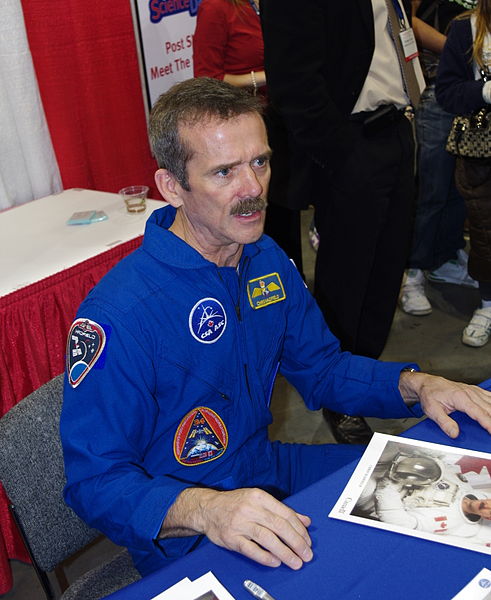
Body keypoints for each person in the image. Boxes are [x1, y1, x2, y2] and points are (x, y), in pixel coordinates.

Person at [61, 78, 491, 579]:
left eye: (259, 162)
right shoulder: (121, 313)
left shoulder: (263, 258)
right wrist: (206, 509)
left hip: (266, 468)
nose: (253, 190)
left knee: (447, 517)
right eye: (224, 172)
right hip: (188, 525)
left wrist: (416, 385)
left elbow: (323, 369)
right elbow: (94, 482)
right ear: (172, 186)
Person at [260, 0, 426, 444]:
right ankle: (338, 395)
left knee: (384, 272)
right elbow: (293, 83)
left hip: (397, 129)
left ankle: (365, 382)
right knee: (346, 281)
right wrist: (341, 157)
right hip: (351, 141)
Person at [192, 0, 304, 274]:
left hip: (282, 122)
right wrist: (266, 78)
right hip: (242, 129)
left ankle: (290, 283)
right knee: (261, 213)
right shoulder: (218, 7)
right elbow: (207, 77)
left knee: (285, 211)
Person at [399, 0, 478, 317]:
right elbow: (407, 19)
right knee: (432, 188)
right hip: (437, 86)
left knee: (463, 187)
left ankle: (445, 257)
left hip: (473, 90)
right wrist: (460, 44)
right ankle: (413, 272)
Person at [436, 0, 491, 347]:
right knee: (485, 230)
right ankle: (487, 304)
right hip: (481, 153)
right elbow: (446, 92)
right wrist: (484, 90)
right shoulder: (466, 28)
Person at [374, 455, 491, 544]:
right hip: (400, 464)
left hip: (378, 492)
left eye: (490, 511)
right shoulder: (464, 485)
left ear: (487, 517)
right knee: (386, 450)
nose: (487, 506)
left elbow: (402, 523)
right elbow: (438, 460)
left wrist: (388, 487)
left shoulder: (450, 523)